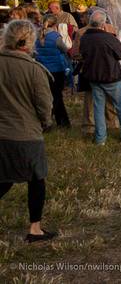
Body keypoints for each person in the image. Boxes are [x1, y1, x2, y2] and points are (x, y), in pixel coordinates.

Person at [0, 20, 57, 242]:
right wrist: (45, 122)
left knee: (4, 179)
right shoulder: (33, 69)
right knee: (36, 180)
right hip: (26, 134)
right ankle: (35, 229)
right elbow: (45, 105)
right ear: (30, 41)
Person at [79, 11, 121, 145]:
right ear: (103, 23)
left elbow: (81, 54)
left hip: (94, 77)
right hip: (111, 76)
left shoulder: (84, 38)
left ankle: (100, 138)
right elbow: (120, 55)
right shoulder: (109, 38)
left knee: (98, 107)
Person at [34, 14, 71, 128]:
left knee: (48, 95)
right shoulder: (56, 37)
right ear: (55, 24)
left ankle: (56, 121)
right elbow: (64, 49)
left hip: (42, 69)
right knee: (57, 96)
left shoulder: (37, 35)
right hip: (56, 70)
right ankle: (57, 120)